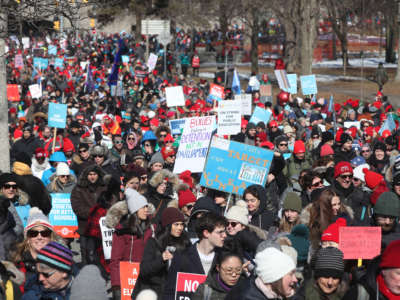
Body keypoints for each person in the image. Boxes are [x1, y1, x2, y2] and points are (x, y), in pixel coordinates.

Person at [162, 212, 227, 300]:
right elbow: (169, 292)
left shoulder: (224, 259)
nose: (225, 235)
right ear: (206, 233)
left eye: (225, 232)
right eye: (220, 232)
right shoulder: (182, 257)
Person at [132, 207, 190, 298]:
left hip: (172, 293)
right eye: (176, 224)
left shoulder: (185, 243)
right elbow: (144, 270)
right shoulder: (153, 242)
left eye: (182, 224)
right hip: (151, 292)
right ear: (168, 225)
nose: (180, 228)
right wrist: (162, 259)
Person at [22, 241, 108, 300]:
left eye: (46, 274)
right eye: (38, 273)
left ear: (64, 272)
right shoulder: (32, 294)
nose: (40, 278)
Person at [110, 188, 154, 300]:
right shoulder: (122, 230)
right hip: (127, 279)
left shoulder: (150, 228)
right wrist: (116, 286)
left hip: (145, 278)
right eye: (143, 207)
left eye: (147, 207)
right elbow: (115, 260)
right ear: (135, 209)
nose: (146, 210)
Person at [71, 165, 109, 265]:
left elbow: (112, 202)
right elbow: (77, 207)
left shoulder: (105, 187)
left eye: (94, 174)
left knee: (101, 252)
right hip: (85, 227)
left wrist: (104, 213)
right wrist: (94, 213)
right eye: (90, 174)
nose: (92, 177)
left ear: (98, 175)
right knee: (86, 253)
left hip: (102, 227)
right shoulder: (78, 189)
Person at [225, 247, 297, 299]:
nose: (295, 279)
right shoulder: (248, 297)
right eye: (291, 274)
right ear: (274, 276)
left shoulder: (262, 288)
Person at [13, 207, 58, 286]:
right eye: (34, 233)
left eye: (45, 233)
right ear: (27, 238)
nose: (39, 237)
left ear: (51, 237)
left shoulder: (61, 261)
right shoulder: (16, 263)